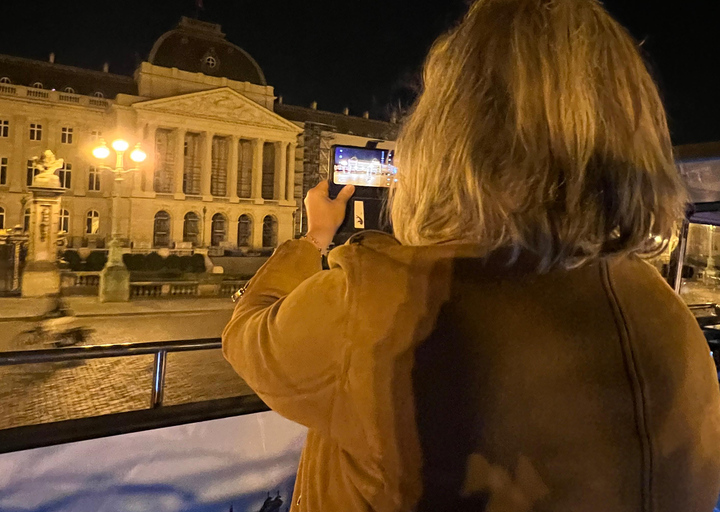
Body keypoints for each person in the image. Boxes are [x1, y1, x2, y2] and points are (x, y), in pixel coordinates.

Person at [222, 0, 720, 510]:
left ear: (448, 138)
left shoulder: (385, 302)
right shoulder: (666, 316)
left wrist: (314, 239)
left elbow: (247, 338)